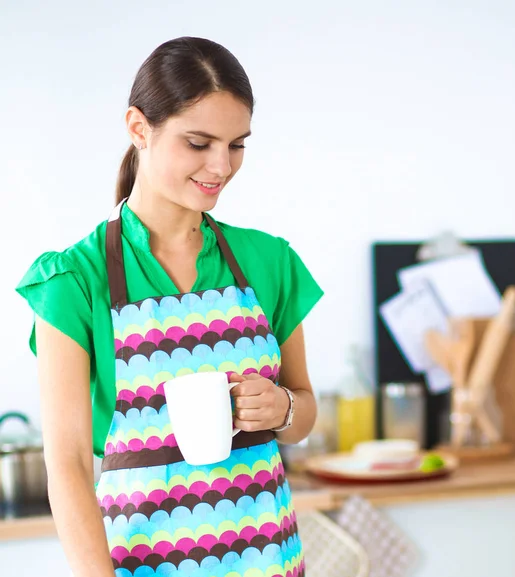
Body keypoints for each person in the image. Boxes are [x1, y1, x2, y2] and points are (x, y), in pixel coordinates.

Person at [16, 36, 322, 577]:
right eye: (199, 143)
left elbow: (302, 414)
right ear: (139, 128)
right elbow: (65, 465)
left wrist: (284, 410)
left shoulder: (268, 261)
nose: (221, 166)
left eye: (237, 144)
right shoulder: (74, 280)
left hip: (270, 561)